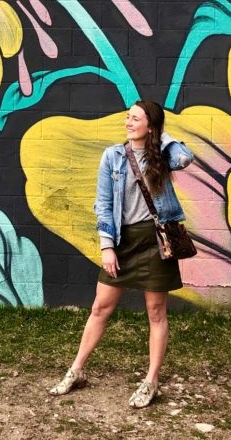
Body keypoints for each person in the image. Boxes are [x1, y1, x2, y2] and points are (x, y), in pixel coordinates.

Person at [48, 100, 195, 408]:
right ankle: (76, 370)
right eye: (128, 117)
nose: (128, 122)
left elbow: (185, 158)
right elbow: (103, 203)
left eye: (136, 118)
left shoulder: (164, 157)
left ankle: (151, 381)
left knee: (156, 313)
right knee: (100, 308)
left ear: (150, 126)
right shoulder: (112, 156)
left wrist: (161, 137)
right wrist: (107, 246)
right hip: (122, 241)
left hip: (156, 243)